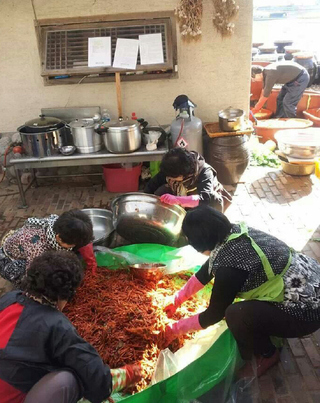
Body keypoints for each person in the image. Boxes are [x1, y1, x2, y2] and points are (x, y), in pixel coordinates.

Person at [163, 206, 320, 377]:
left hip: (307, 311)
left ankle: (268, 354)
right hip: (311, 281)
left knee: (235, 315)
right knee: (240, 311)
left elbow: (214, 314)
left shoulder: (230, 267)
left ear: (201, 246)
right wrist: (177, 299)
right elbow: (206, 270)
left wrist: (174, 330)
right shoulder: (232, 233)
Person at [0, 250, 141, 403]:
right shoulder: (55, 324)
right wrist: (128, 374)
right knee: (68, 380)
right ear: (65, 295)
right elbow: (91, 370)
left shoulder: (9, 298)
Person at [0, 209, 97, 286]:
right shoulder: (37, 248)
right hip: (10, 260)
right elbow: (33, 276)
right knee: (40, 277)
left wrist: (91, 264)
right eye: (73, 244)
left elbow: (84, 242)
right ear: (58, 238)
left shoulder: (63, 225)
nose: (75, 246)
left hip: (30, 248)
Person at [144, 148, 232, 212]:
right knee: (161, 192)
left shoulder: (205, 172)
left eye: (171, 177)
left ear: (182, 175)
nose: (169, 178)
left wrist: (177, 200)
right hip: (184, 198)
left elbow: (205, 199)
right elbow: (151, 186)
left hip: (207, 205)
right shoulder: (171, 167)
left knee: (213, 199)